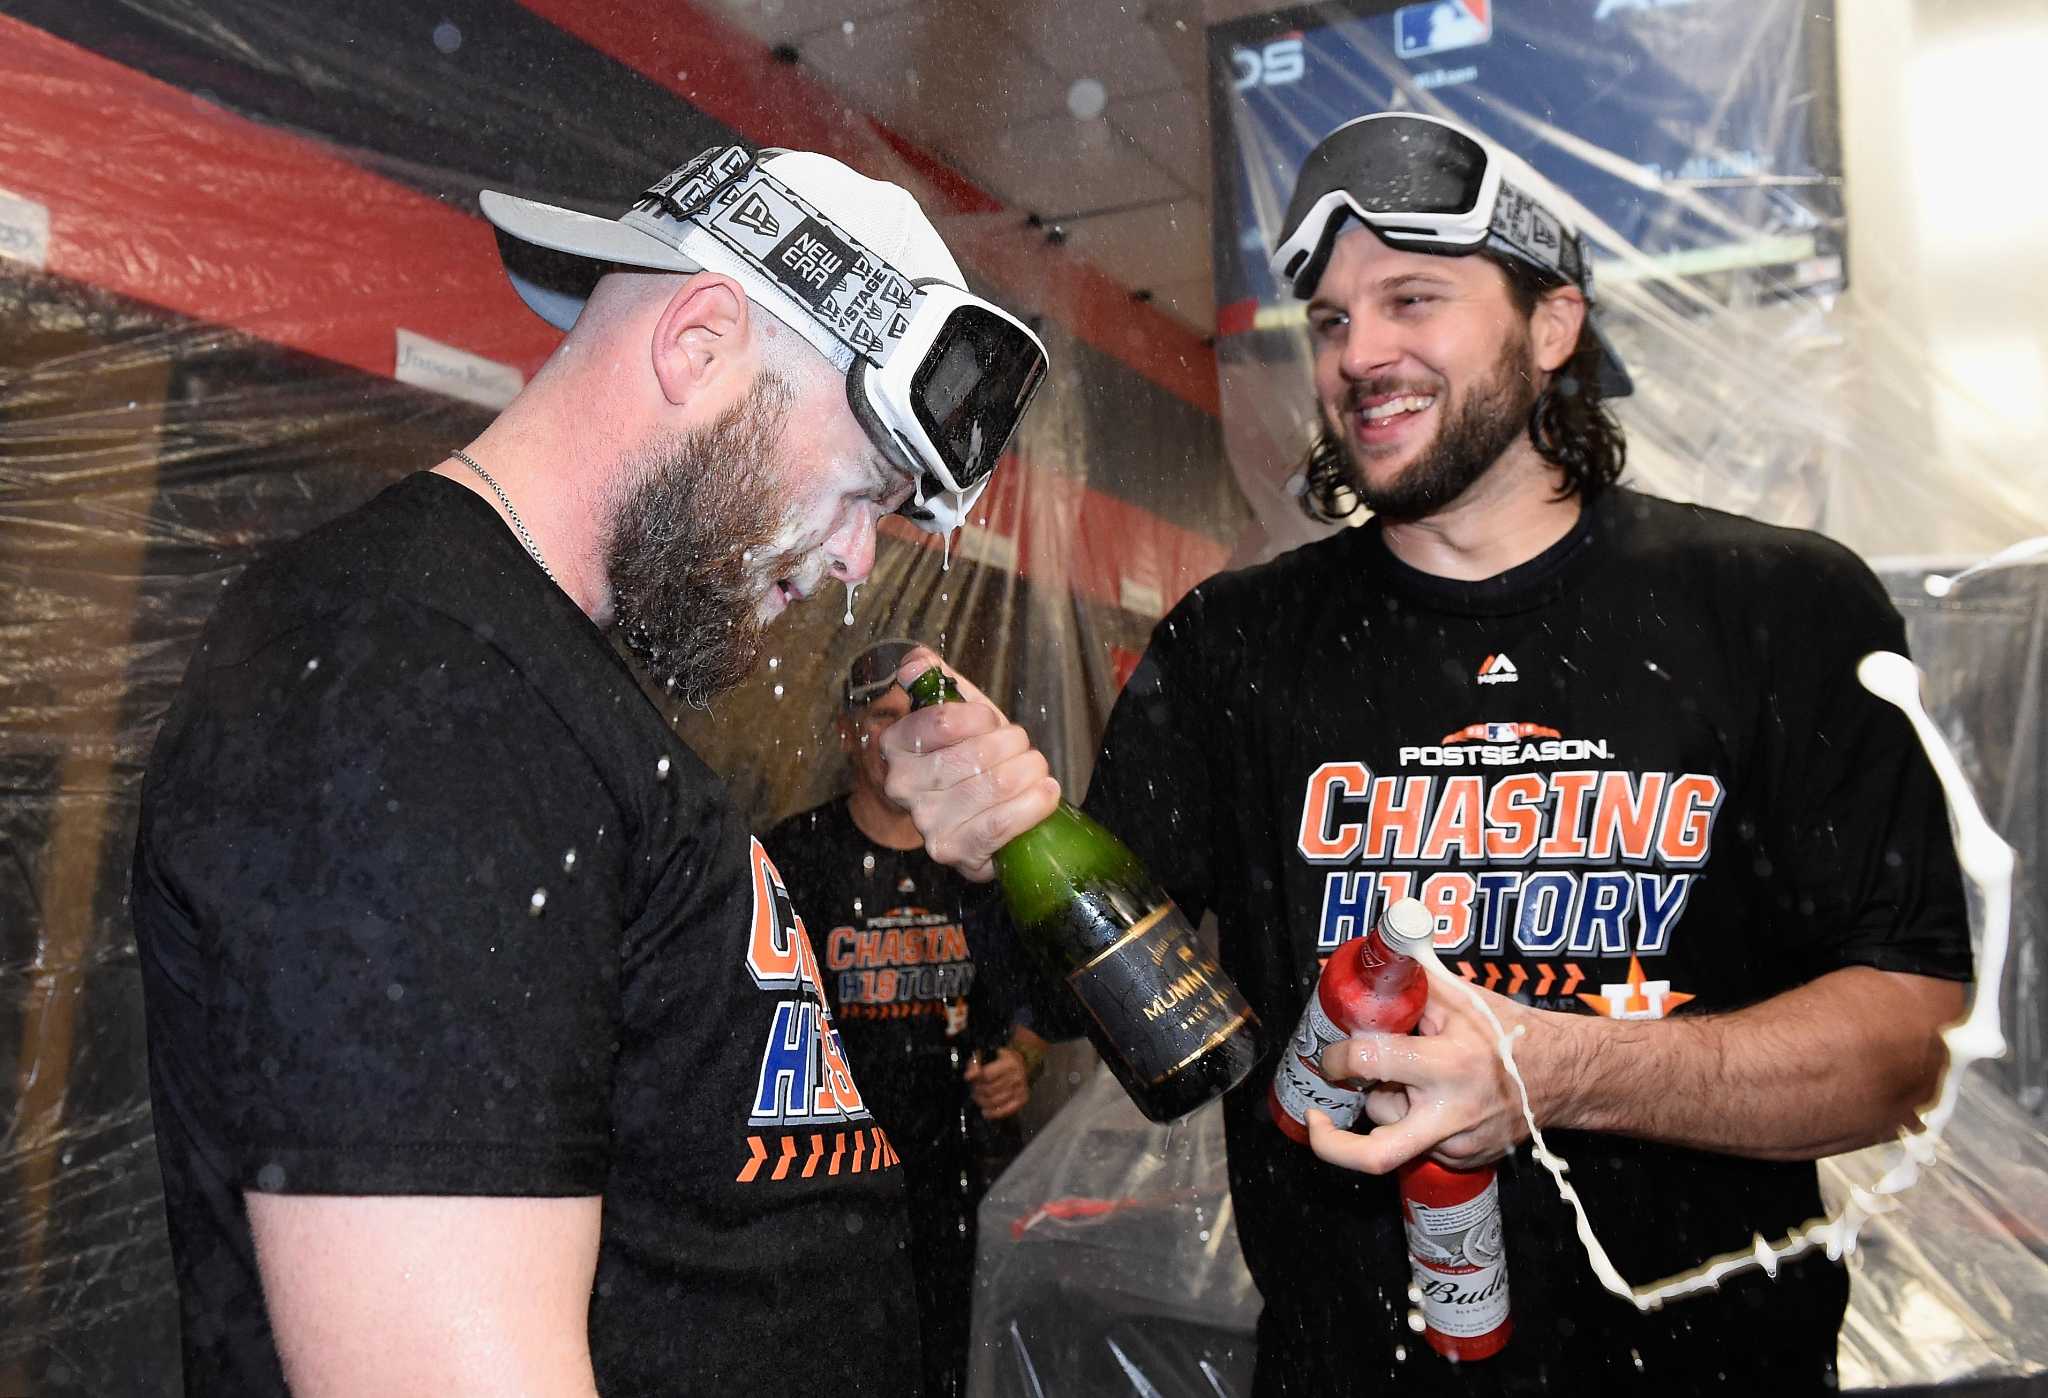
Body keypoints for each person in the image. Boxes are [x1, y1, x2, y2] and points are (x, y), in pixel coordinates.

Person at [878, 112, 1970, 1396]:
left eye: (1411, 298)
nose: (1358, 355)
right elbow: (1082, 1010)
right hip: (1349, 1366)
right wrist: (987, 840)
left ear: (1551, 326)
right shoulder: (1236, 643)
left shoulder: (1774, 608)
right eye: (1331, 321)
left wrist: (1552, 1071)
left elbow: (1905, 1046)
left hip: (1708, 1362)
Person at [129, 142, 1046, 1396]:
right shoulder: (417, 680)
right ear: (699, 344)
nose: (849, 563)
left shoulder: (533, 681)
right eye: (856, 494)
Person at [763, 637, 1051, 1398]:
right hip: (829, 1187)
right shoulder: (791, 859)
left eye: (913, 716)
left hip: (963, 1175)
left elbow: (1036, 1003)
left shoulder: (985, 859)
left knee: (952, 1365)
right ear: (846, 733)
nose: (900, 737)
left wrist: (1021, 1062)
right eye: (879, 717)